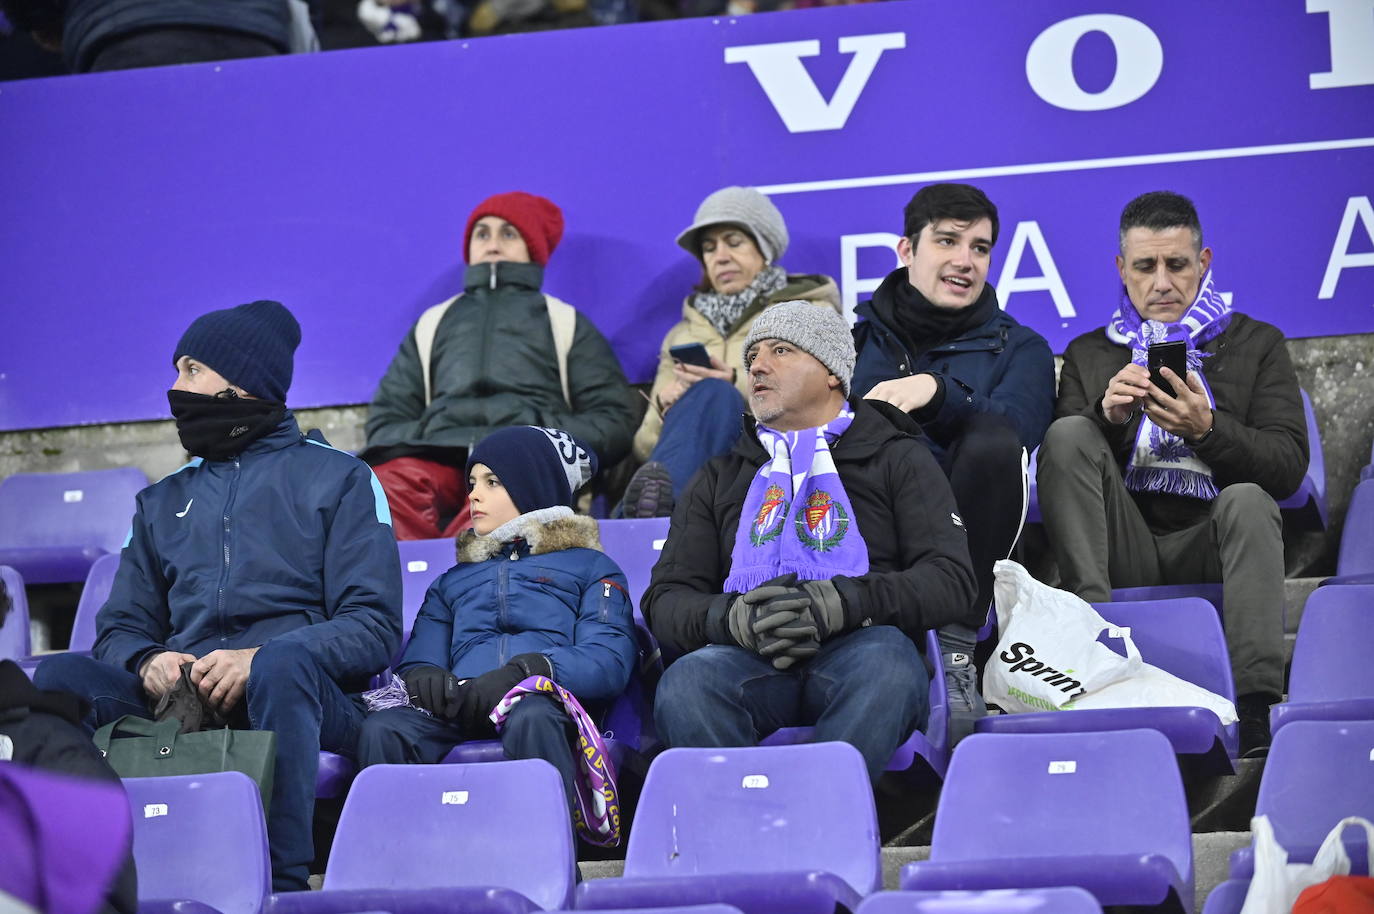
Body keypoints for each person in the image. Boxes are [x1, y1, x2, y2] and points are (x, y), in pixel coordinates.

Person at [35, 299, 402, 892]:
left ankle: (280, 885)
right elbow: (120, 628)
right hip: (186, 700)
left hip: (301, 695)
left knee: (283, 663)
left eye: (190, 370)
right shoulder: (160, 501)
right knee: (56, 684)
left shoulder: (343, 479)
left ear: (241, 383)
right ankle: (83, 879)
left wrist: (257, 659)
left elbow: (373, 627)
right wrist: (148, 660)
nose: (175, 388)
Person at [644, 300, 976, 782]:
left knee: (890, 668)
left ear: (832, 374)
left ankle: (818, 820)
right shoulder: (720, 475)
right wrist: (733, 618)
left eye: (780, 350)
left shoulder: (897, 456)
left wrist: (841, 603)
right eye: (753, 354)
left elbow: (950, 581)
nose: (757, 365)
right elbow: (666, 600)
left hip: (860, 646)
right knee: (686, 683)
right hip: (747, 657)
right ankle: (746, 829)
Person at [1036, 190, 1307, 756]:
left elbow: (1287, 468)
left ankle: (1257, 703)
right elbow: (1062, 468)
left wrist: (1208, 430)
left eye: (1177, 264)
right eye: (1145, 266)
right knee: (1067, 433)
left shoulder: (1257, 344)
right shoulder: (1089, 354)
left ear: (1203, 263)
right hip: (1124, 544)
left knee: (1252, 501)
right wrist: (1107, 417)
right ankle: (1097, 644)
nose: (1162, 282)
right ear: (1122, 270)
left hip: (1213, 538)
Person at [851, 183, 1055, 743]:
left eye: (981, 248)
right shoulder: (851, 344)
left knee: (993, 441)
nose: (966, 261)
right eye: (947, 241)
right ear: (906, 250)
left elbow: (1019, 431)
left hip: (964, 539)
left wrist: (937, 393)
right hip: (869, 538)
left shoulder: (1022, 348)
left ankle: (958, 646)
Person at [357, 425, 635, 829]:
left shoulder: (593, 568)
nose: (473, 495)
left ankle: (547, 862)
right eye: (472, 482)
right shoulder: (452, 580)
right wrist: (425, 677)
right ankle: (396, 870)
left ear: (533, 487)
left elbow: (607, 660)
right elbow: (419, 660)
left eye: (492, 482)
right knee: (384, 729)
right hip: (462, 705)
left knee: (532, 719)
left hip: (542, 703)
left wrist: (526, 672)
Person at [364, 191, 638, 540]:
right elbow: (386, 419)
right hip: (438, 462)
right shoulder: (432, 324)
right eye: (482, 233)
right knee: (388, 485)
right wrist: (431, 437)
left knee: (503, 492)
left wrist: (539, 439)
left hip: (516, 463)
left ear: (533, 247)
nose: (493, 243)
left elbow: (612, 419)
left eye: (508, 233)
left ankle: (459, 583)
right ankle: (416, 586)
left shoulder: (565, 323)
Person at [623, 185, 841, 518]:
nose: (720, 256)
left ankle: (648, 528)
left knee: (715, 393)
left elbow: (823, 406)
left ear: (765, 250)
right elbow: (645, 447)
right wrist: (670, 411)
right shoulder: (681, 335)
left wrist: (737, 382)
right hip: (699, 481)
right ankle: (653, 522)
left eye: (734, 242)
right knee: (706, 400)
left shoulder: (806, 313)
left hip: (778, 465)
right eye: (709, 249)